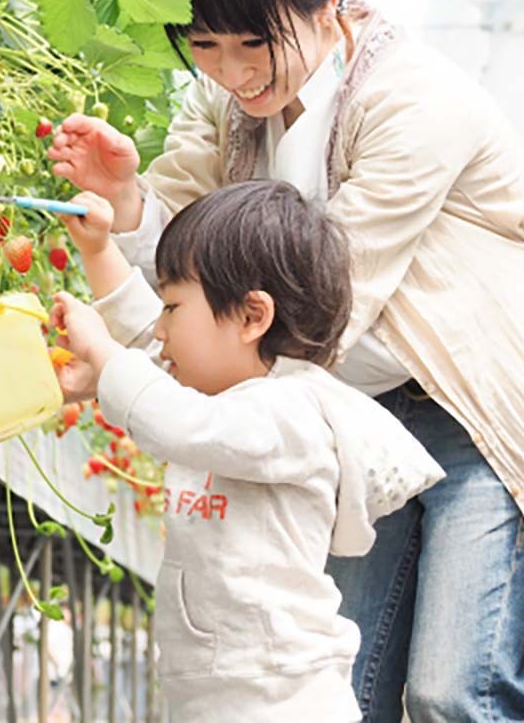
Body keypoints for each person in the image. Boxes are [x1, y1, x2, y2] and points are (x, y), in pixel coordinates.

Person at [48, 0, 524, 722]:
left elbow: (324, 298)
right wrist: (126, 201)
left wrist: (135, 374)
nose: (231, 72)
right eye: (204, 45)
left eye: (253, 44)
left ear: (323, 2)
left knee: (456, 690)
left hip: (468, 415)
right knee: (345, 687)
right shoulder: (220, 106)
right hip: (338, 418)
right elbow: (192, 264)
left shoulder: (415, 100)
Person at [49, 180, 444, 723]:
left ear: (252, 317)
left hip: (287, 702)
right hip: (221, 696)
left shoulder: (293, 412)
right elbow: (147, 344)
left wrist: (102, 350)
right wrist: (98, 251)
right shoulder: (227, 399)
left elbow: (179, 423)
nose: (161, 329)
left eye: (172, 307)